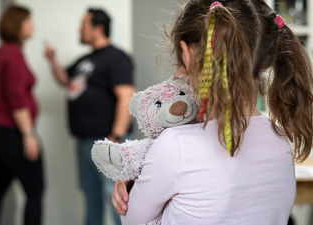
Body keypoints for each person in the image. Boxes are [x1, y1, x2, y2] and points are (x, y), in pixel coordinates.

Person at [112, 0, 313, 224]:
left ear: (187, 55)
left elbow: (131, 220)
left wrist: (135, 187)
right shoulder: (280, 140)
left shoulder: (176, 145)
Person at [45, 8, 135, 225]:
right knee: (91, 195)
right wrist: (53, 60)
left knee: (117, 199)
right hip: (85, 142)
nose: (80, 29)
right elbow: (65, 79)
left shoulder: (117, 58)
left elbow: (126, 96)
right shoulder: (85, 60)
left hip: (109, 141)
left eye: (84, 24)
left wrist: (116, 137)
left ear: (98, 28)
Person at [0, 5, 45, 225]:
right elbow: (16, 98)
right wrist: (28, 134)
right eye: (28, 21)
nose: (32, 25)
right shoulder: (13, 54)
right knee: (35, 190)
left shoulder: (2, 52)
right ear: (17, 25)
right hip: (11, 132)